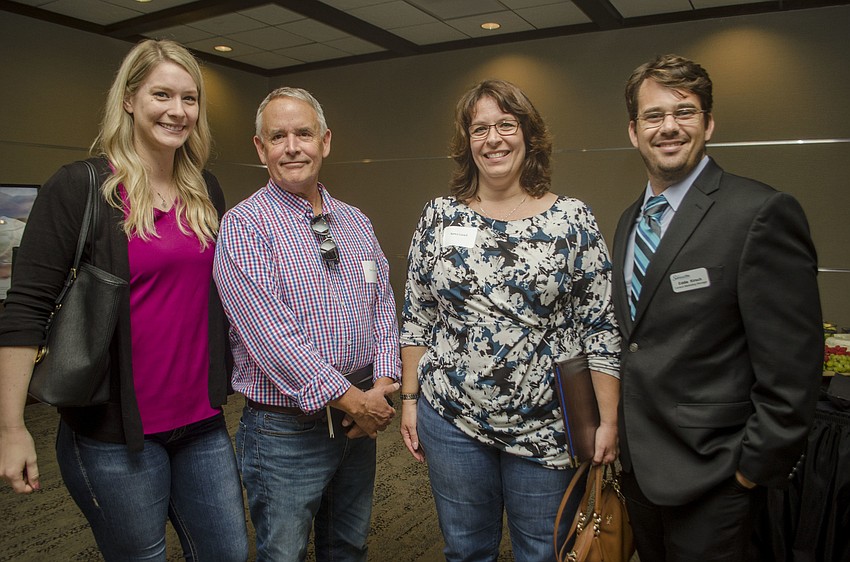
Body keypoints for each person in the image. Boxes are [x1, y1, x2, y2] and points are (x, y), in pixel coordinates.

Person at [0, 39, 248, 560]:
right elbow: (24, 311)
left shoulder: (206, 189)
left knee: (227, 552)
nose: (178, 111)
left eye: (189, 98)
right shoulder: (81, 187)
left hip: (202, 424)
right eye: (162, 95)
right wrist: (11, 428)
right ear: (130, 99)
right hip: (113, 437)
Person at [399, 79, 621, 561]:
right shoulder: (439, 216)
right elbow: (418, 313)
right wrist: (411, 400)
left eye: (506, 125)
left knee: (543, 552)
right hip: (451, 417)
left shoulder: (571, 220)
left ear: (529, 136)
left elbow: (599, 326)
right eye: (480, 129)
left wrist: (607, 420)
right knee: (465, 550)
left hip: (546, 424)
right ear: (467, 142)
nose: (493, 139)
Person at [612, 53, 823, 561]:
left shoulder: (759, 213)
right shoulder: (629, 221)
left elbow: (793, 368)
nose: (669, 127)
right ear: (633, 132)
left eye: (684, 112)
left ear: (708, 123)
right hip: (640, 470)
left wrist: (752, 468)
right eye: (654, 116)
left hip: (717, 477)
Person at [212, 86, 401, 562]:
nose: (292, 146)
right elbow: (269, 336)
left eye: (303, 133)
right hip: (286, 432)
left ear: (325, 141)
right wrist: (358, 402)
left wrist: (381, 384)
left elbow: (381, 303)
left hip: (358, 419)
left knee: (348, 545)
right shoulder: (244, 225)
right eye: (278, 136)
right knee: (285, 553)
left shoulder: (355, 221)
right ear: (261, 148)